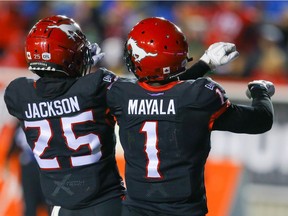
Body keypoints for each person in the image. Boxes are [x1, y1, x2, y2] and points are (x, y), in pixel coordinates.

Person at [3, 15, 237, 216]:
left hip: (62, 208)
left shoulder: (17, 94)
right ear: (67, 55)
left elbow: (54, 97)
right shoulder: (97, 87)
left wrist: (73, 79)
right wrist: (204, 64)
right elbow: (160, 95)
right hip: (108, 203)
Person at [106, 17, 275, 216]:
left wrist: (204, 64)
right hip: (184, 210)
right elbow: (261, 120)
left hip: (134, 210)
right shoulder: (198, 97)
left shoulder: (120, 94)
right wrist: (260, 91)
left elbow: (159, 94)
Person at [6, 123, 48, 216]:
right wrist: (8, 158)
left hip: (43, 167)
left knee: (48, 201)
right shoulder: (19, 126)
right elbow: (14, 146)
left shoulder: (43, 122)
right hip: (28, 169)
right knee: (29, 203)